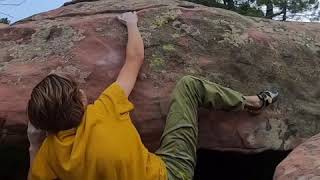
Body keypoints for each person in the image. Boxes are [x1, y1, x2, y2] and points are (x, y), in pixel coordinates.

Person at [27, 12, 278, 180]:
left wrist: (34, 144)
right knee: (189, 85)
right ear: (78, 101)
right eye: (76, 90)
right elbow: (134, 59)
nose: (81, 90)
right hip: (171, 174)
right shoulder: (104, 109)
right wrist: (131, 22)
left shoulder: (49, 154)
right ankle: (251, 102)